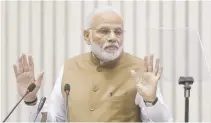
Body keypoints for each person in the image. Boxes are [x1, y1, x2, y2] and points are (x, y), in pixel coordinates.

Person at [13, 6, 173, 122]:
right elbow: (54, 120)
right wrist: (31, 100)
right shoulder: (70, 67)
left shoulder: (139, 70)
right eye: (104, 31)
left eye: (118, 32)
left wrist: (151, 100)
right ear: (87, 36)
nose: (113, 38)